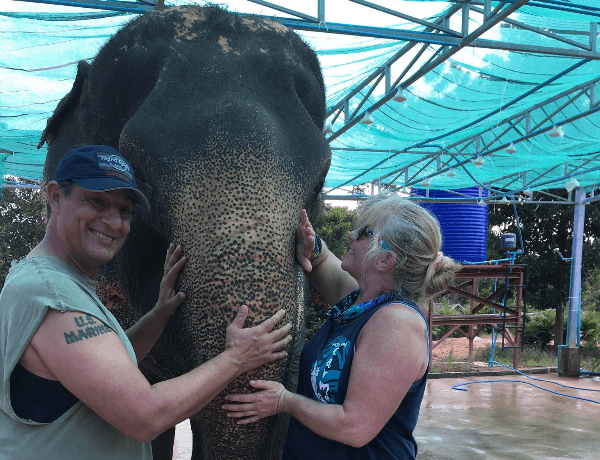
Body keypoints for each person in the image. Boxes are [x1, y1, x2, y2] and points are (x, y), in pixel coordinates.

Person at [0, 144, 291, 460]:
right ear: (55, 196)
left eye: (125, 210)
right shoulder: (54, 296)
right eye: (97, 200)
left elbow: (109, 368)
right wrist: (237, 358)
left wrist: (160, 312)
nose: (114, 222)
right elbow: (145, 416)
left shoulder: (56, 281)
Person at [222, 194, 460, 459]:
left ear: (385, 260)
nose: (350, 235)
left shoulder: (397, 323)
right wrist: (311, 245)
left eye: (363, 232)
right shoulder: (361, 301)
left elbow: (354, 427)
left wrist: (284, 401)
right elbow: (322, 261)